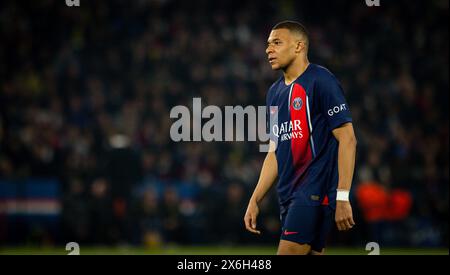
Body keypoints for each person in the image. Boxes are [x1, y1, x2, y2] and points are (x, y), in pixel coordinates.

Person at [244, 21, 357, 255]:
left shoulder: (321, 80)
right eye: (267, 44)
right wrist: (255, 199)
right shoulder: (274, 93)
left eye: (276, 43)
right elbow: (274, 150)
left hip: (312, 193)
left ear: (299, 46)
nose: (268, 50)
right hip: (288, 195)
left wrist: (343, 197)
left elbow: (348, 139)